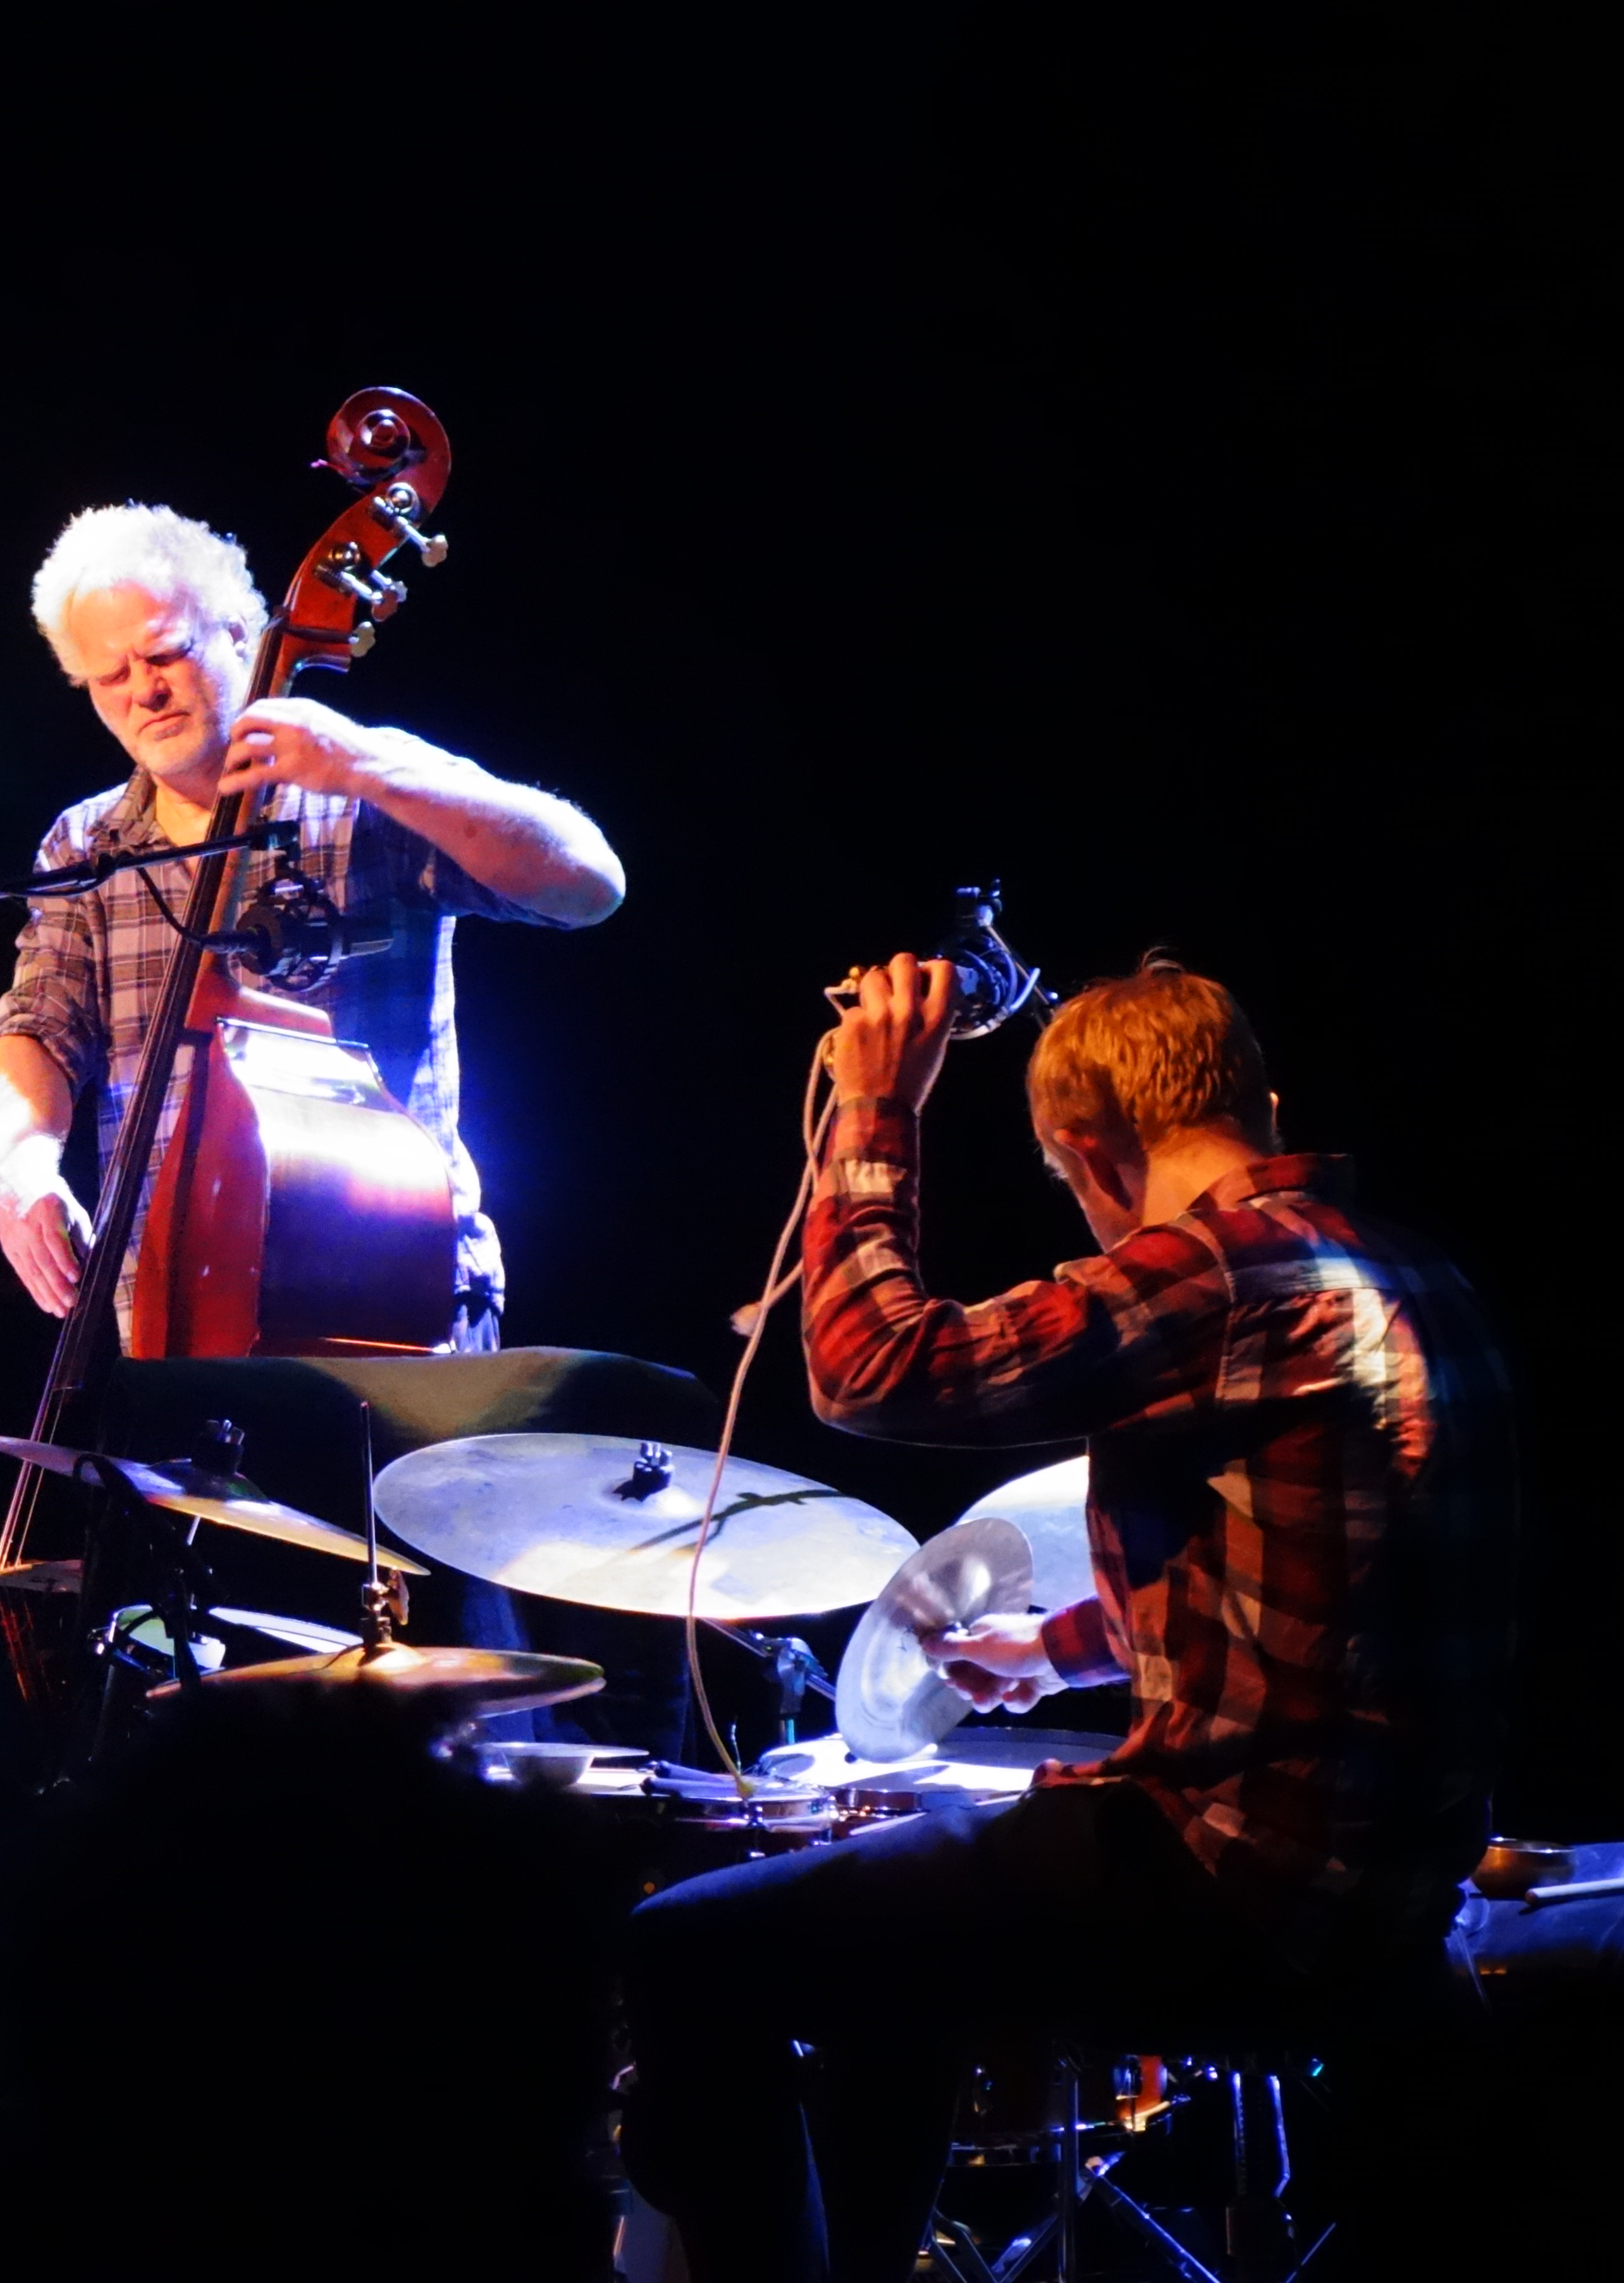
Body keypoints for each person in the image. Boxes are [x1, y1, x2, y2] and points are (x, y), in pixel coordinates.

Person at [621, 953, 1516, 2282]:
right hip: (1390, 1877)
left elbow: (873, 1372)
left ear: (1088, 1149)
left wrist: (879, 1109)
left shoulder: (1221, 1272)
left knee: (682, 1947)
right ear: (1256, 1097)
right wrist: (1058, 1648)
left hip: (1243, 1889)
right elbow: (1332, 1575)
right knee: (904, 1950)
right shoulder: (1410, 1269)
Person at [0, 502, 623, 1350]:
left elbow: (586, 884)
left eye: (165, 652)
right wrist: (21, 1169)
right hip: (175, 1310)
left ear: (241, 634)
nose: (145, 690)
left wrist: (371, 764)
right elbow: (38, 1029)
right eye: (110, 675)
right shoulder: (85, 844)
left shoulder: (365, 787)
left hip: (387, 1293)